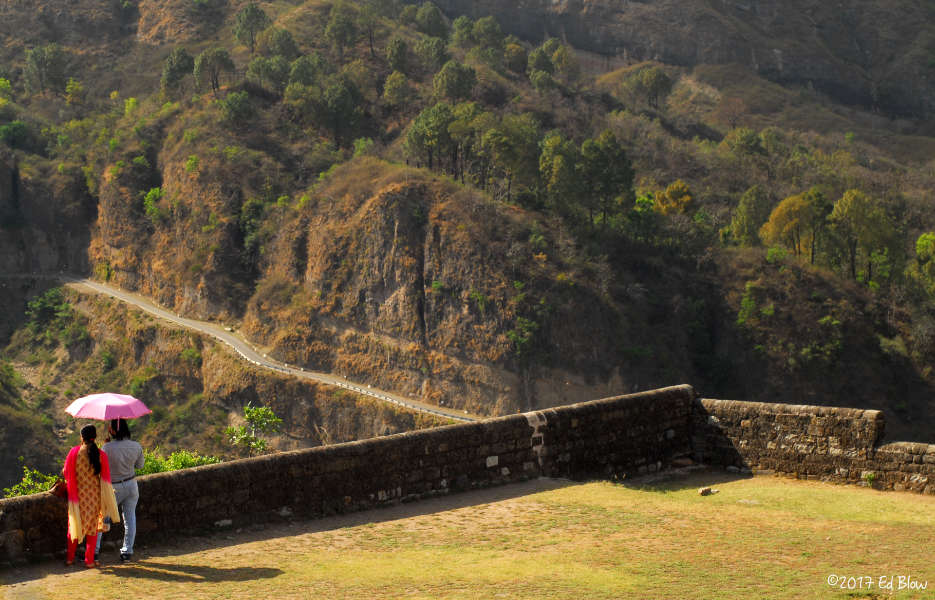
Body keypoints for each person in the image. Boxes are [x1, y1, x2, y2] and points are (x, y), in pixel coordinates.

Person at [62, 424, 120, 568]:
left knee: (74, 526)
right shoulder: (100, 454)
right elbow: (106, 479)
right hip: (94, 498)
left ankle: (70, 558)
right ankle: (89, 561)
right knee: (92, 530)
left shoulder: (74, 452)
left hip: (78, 498)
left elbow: (66, 473)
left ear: (82, 437)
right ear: (94, 437)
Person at [95, 417, 144, 562]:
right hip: (130, 484)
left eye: (110, 428)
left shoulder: (107, 448)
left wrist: (106, 448)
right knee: (130, 519)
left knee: (102, 518)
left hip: (113, 487)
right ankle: (127, 552)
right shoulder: (136, 446)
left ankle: (95, 551)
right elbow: (140, 466)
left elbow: (101, 467)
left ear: (113, 431)